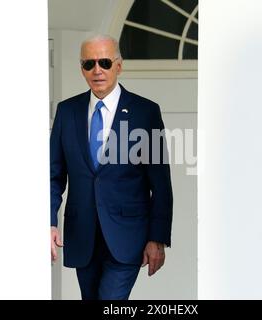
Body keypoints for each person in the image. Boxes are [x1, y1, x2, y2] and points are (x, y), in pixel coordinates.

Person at [50, 35, 173, 300]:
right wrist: (48, 222)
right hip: (83, 235)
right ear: (81, 69)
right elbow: (53, 176)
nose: (97, 70)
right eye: (89, 64)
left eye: (105, 62)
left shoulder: (145, 112)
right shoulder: (66, 111)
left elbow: (160, 183)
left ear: (119, 65)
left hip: (128, 237)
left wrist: (157, 238)